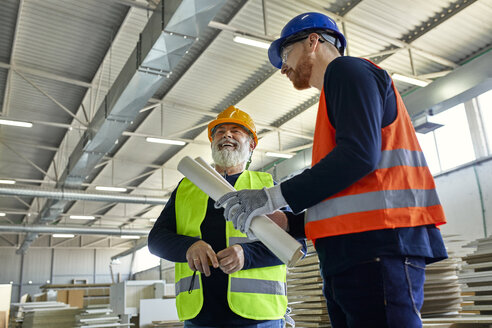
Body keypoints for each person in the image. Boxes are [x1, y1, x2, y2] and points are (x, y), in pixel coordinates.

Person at [216, 12, 448, 328]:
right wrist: (289, 221)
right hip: (354, 252)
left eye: (285, 54)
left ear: (313, 41)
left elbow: (357, 157)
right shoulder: (335, 95)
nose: (283, 67)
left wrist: (270, 197)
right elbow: (345, 191)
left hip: (380, 245)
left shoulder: (346, 70)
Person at [148, 106, 305, 328]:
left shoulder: (267, 187)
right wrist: (188, 247)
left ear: (251, 144)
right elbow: (156, 241)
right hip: (200, 317)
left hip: (259, 318)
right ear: (212, 143)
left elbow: (296, 245)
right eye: (219, 131)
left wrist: (246, 254)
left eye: (236, 131)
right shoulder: (186, 188)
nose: (226, 135)